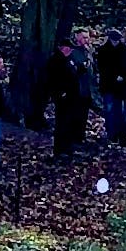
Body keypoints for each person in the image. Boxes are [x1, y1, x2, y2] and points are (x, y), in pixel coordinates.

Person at [46, 35, 91, 164]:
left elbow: (75, 72)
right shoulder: (55, 61)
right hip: (63, 97)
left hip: (72, 97)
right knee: (61, 123)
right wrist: (60, 93)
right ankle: (59, 150)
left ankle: (68, 147)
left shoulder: (68, 60)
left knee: (70, 122)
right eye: (69, 48)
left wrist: (82, 68)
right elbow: (54, 79)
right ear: (63, 48)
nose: (70, 51)